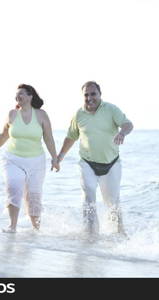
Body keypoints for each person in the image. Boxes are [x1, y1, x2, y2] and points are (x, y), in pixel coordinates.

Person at [57, 81, 133, 236]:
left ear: (100, 94)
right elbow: (71, 137)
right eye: (86, 95)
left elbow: (128, 124)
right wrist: (59, 157)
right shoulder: (79, 114)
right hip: (87, 163)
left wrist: (122, 133)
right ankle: (90, 234)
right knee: (88, 194)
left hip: (111, 164)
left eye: (93, 94)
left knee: (112, 201)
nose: (90, 98)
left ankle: (118, 234)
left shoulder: (111, 110)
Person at [0, 84, 59, 233]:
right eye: (16, 95)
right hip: (13, 159)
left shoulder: (41, 115)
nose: (18, 97)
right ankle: (12, 226)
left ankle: (36, 229)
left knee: (33, 195)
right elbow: (4, 135)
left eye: (21, 94)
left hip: (36, 161)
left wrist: (55, 158)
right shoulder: (12, 114)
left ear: (30, 96)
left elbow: (49, 138)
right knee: (13, 187)